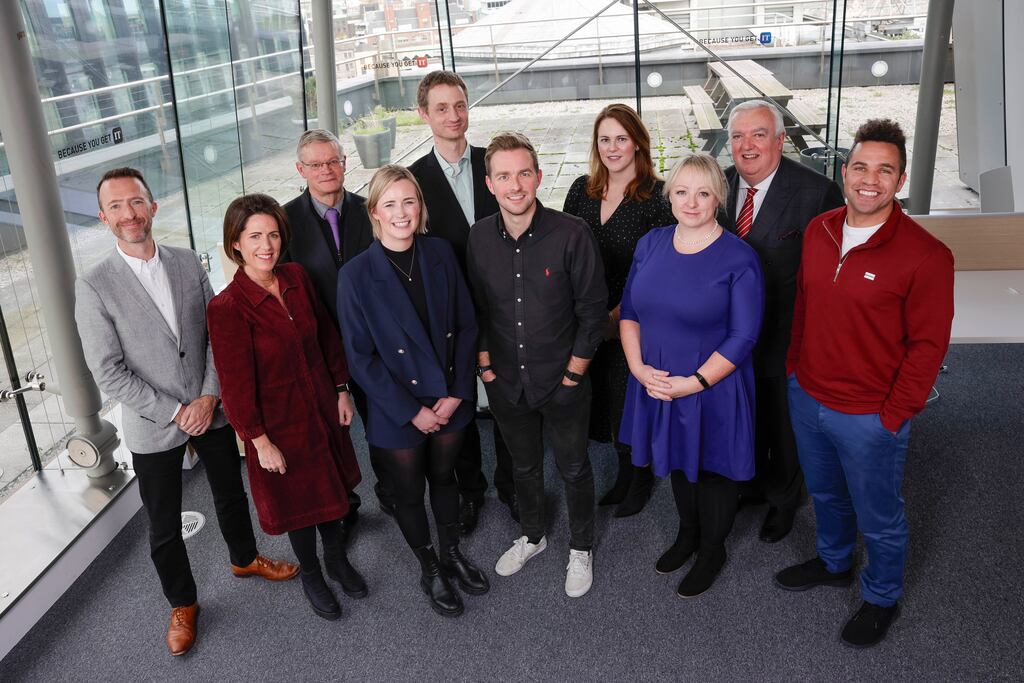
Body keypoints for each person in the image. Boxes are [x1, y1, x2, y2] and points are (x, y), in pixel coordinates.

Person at [75, 168, 298, 656]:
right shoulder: (94, 286)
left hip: (210, 405)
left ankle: (244, 557)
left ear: (153, 207)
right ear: (103, 217)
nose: (128, 214)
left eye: (136, 202)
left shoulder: (186, 262)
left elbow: (221, 333)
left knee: (230, 495)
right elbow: (108, 372)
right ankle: (182, 604)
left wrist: (209, 396)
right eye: (115, 206)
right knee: (162, 524)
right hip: (154, 423)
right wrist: (178, 412)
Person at [777, 119, 954, 648]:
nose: (869, 179)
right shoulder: (821, 229)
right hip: (808, 395)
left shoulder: (927, 255)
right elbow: (805, 304)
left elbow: (928, 348)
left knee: (880, 517)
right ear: (844, 170)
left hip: (869, 416)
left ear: (899, 180)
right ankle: (834, 564)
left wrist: (893, 416)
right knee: (826, 495)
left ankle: (881, 596)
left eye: (884, 170)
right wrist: (793, 370)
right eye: (860, 167)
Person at [207, 194, 367, 622]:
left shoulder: (296, 276)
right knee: (300, 506)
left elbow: (327, 338)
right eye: (254, 235)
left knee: (332, 492)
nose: (267, 245)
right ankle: (312, 573)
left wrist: (341, 389)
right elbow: (235, 387)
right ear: (235, 243)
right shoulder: (226, 308)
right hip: (278, 427)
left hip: (320, 407)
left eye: (273, 234)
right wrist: (259, 441)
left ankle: (337, 560)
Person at [338, 165, 488, 617]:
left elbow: (466, 325)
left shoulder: (440, 252)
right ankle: (429, 567)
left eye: (410, 201)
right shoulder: (356, 275)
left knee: (445, 479)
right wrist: (413, 412)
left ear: (420, 207)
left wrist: (459, 392)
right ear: (375, 213)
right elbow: (361, 358)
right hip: (396, 408)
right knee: (408, 493)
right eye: (391, 204)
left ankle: (451, 552)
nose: (402, 212)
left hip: (450, 396)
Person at [466, 132, 607, 598]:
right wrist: (486, 369)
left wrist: (573, 375)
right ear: (489, 183)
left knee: (573, 468)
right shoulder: (478, 237)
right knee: (524, 469)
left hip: (564, 380)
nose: (515, 184)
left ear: (539, 177)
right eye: (503, 175)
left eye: (523, 173)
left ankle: (581, 547)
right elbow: (479, 311)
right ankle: (532, 536)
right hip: (506, 382)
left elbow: (592, 312)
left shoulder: (572, 233)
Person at [618, 153, 764, 598]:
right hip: (658, 381)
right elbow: (629, 312)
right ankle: (687, 533)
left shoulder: (739, 257)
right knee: (680, 461)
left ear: (719, 197)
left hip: (711, 384)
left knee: (713, 469)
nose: (692, 202)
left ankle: (712, 549)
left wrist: (695, 383)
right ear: (670, 195)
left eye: (703, 193)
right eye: (682, 191)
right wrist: (638, 368)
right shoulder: (651, 243)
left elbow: (743, 337)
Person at [722, 100, 845, 543]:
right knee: (744, 415)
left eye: (758, 135)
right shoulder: (719, 185)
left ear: (779, 140)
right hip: (729, 336)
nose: (746, 145)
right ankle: (750, 484)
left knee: (782, 423)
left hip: (786, 333)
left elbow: (831, 274)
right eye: (737, 136)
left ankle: (783, 499)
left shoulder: (816, 192)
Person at [409, 70, 516, 532]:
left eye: (459, 105)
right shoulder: (413, 181)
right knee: (460, 405)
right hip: (447, 313)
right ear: (423, 114)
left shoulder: (493, 164)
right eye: (441, 108)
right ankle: (471, 490)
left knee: (511, 398)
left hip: (505, 304)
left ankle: (514, 485)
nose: (453, 116)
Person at [562, 103, 674, 517]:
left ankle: (638, 477)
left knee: (631, 400)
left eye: (621, 139)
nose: (612, 147)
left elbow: (661, 270)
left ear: (638, 144)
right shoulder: (581, 189)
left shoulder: (657, 198)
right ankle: (623, 474)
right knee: (603, 398)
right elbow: (566, 253)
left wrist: (619, 315)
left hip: (635, 318)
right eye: (604, 139)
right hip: (589, 317)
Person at [282, 129, 384, 526]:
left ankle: (390, 489)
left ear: (344, 163)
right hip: (321, 349)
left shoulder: (369, 209)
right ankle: (345, 504)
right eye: (315, 164)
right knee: (332, 433)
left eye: (333, 161)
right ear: (300, 169)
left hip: (373, 342)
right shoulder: (285, 221)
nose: (326, 170)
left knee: (381, 422)